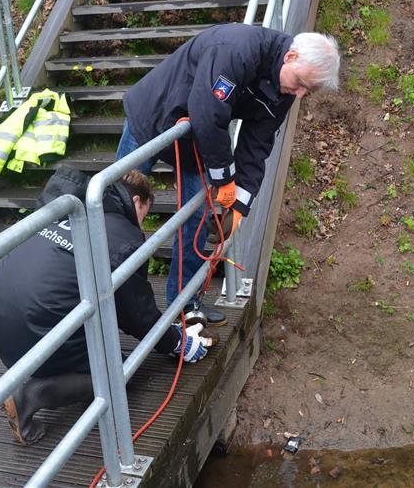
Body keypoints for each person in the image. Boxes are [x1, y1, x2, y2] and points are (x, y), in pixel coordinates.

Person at [0, 166, 213, 445]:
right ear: (136, 202)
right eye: (145, 214)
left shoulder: (69, 205)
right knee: (116, 371)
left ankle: (39, 367)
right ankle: (31, 395)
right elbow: (137, 315)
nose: (142, 224)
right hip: (32, 325)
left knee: (83, 326)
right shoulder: (124, 236)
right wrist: (177, 343)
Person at [116, 23, 340, 322]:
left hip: (191, 139)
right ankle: (110, 298)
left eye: (307, 91)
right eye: (300, 83)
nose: (299, 95)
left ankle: (185, 305)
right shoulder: (237, 49)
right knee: (119, 210)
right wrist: (223, 179)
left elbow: (256, 146)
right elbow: (208, 110)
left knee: (196, 219)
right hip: (152, 117)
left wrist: (237, 208)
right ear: (291, 56)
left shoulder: (284, 89)